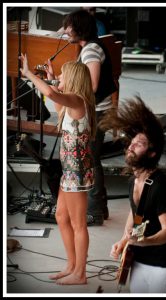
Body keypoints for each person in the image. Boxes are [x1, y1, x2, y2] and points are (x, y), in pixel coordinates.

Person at [19, 54, 96, 285]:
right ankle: (71, 265)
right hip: (69, 171)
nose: (58, 78)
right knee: (61, 216)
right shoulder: (71, 102)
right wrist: (51, 77)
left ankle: (80, 274)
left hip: (77, 172)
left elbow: (52, 93)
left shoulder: (79, 99)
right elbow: (55, 99)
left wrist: (29, 74)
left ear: (72, 80)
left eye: (63, 75)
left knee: (78, 222)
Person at [99, 97, 166, 293]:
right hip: (139, 259)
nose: (131, 146)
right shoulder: (133, 181)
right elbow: (136, 213)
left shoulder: (161, 186)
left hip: (164, 263)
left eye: (139, 144)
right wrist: (124, 240)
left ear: (152, 153)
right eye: (132, 142)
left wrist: (143, 241)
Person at [62, 9, 117, 225]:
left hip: (97, 112)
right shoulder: (89, 47)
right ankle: (99, 209)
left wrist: (66, 90)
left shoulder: (91, 50)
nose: (66, 30)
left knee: (91, 161)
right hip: (97, 110)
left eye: (69, 26)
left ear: (80, 28)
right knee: (92, 160)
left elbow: (91, 85)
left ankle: (94, 211)